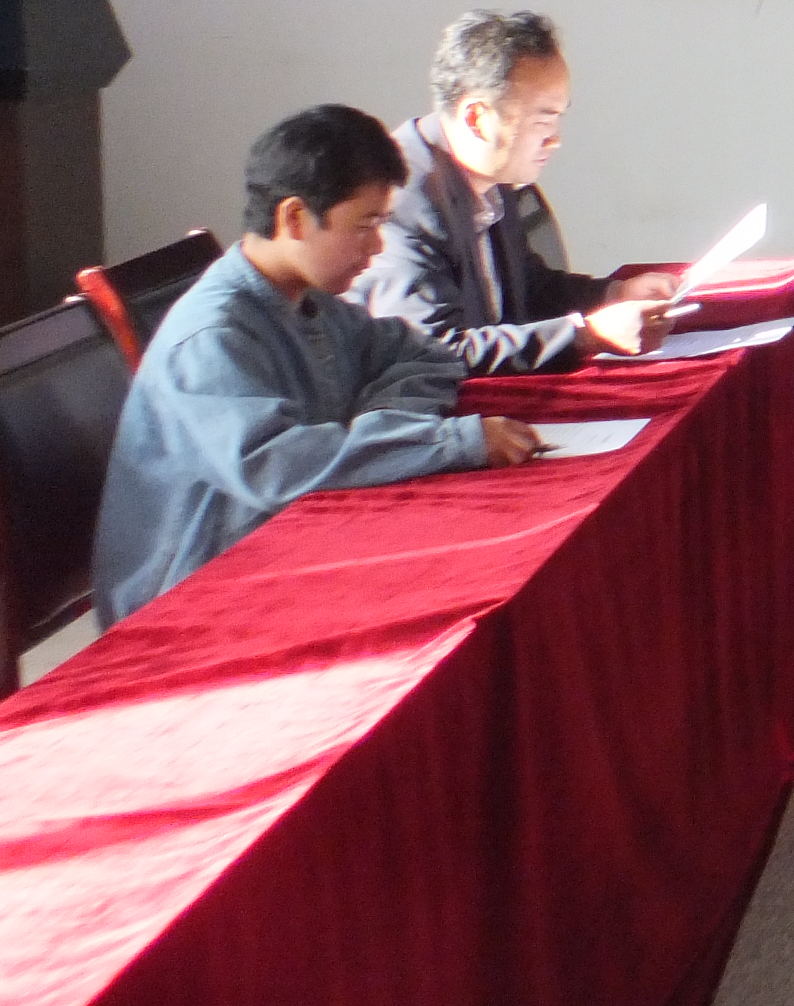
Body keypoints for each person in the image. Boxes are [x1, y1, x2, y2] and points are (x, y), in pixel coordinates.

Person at [94, 105, 542, 623]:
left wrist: (384, 423)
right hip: (190, 596)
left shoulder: (310, 301)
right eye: (365, 225)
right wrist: (447, 441)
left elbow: (424, 354)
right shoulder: (212, 336)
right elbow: (278, 465)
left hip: (285, 546)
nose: (377, 246)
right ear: (294, 218)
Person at [350, 11, 675, 372]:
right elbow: (433, 351)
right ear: (477, 119)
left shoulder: (491, 175)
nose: (555, 140)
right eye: (542, 120)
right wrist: (587, 336)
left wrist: (613, 295)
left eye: (558, 118)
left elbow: (527, 290)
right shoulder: (402, 199)